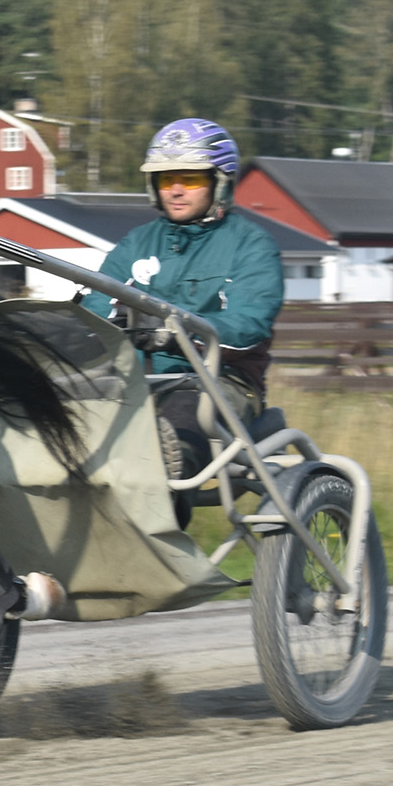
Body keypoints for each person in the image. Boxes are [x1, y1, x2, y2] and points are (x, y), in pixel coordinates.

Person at [81, 119, 283, 521]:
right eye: (166, 178)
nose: (174, 189)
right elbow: (94, 310)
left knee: (176, 419)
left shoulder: (251, 245)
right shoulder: (136, 243)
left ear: (219, 182)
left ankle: (164, 535)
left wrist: (176, 332)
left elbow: (248, 324)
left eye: (189, 178)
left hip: (217, 384)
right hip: (131, 382)